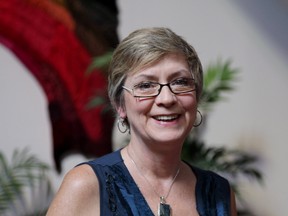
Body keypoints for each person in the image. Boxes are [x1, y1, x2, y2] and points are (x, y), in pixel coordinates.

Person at [47, 27, 237, 216]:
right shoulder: (85, 185)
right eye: (146, 85)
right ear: (120, 105)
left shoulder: (219, 193)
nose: (167, 98)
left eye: (180, 82)